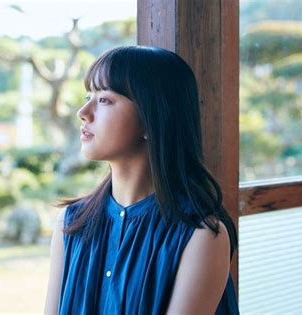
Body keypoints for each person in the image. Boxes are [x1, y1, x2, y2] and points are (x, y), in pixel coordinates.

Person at [44, 46, 239, 314]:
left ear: (150, 119)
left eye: (104, 100)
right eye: (89, 96)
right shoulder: (72, 223)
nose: (83, 111)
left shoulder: (201, 235)